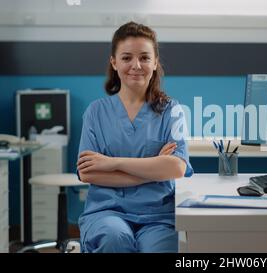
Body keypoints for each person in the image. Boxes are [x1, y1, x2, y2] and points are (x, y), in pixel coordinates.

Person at [76, 21, 193, 253]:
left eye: (145, 58)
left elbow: (177, 168)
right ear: (114, 62)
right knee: (114, 239)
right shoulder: (96, 112)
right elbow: (88, 172)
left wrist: (112, 163)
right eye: (127, 57)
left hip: (158, 216)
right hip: (107, 212)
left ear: (155, 62)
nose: (136, 65)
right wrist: (153, 169)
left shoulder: (172, 110)